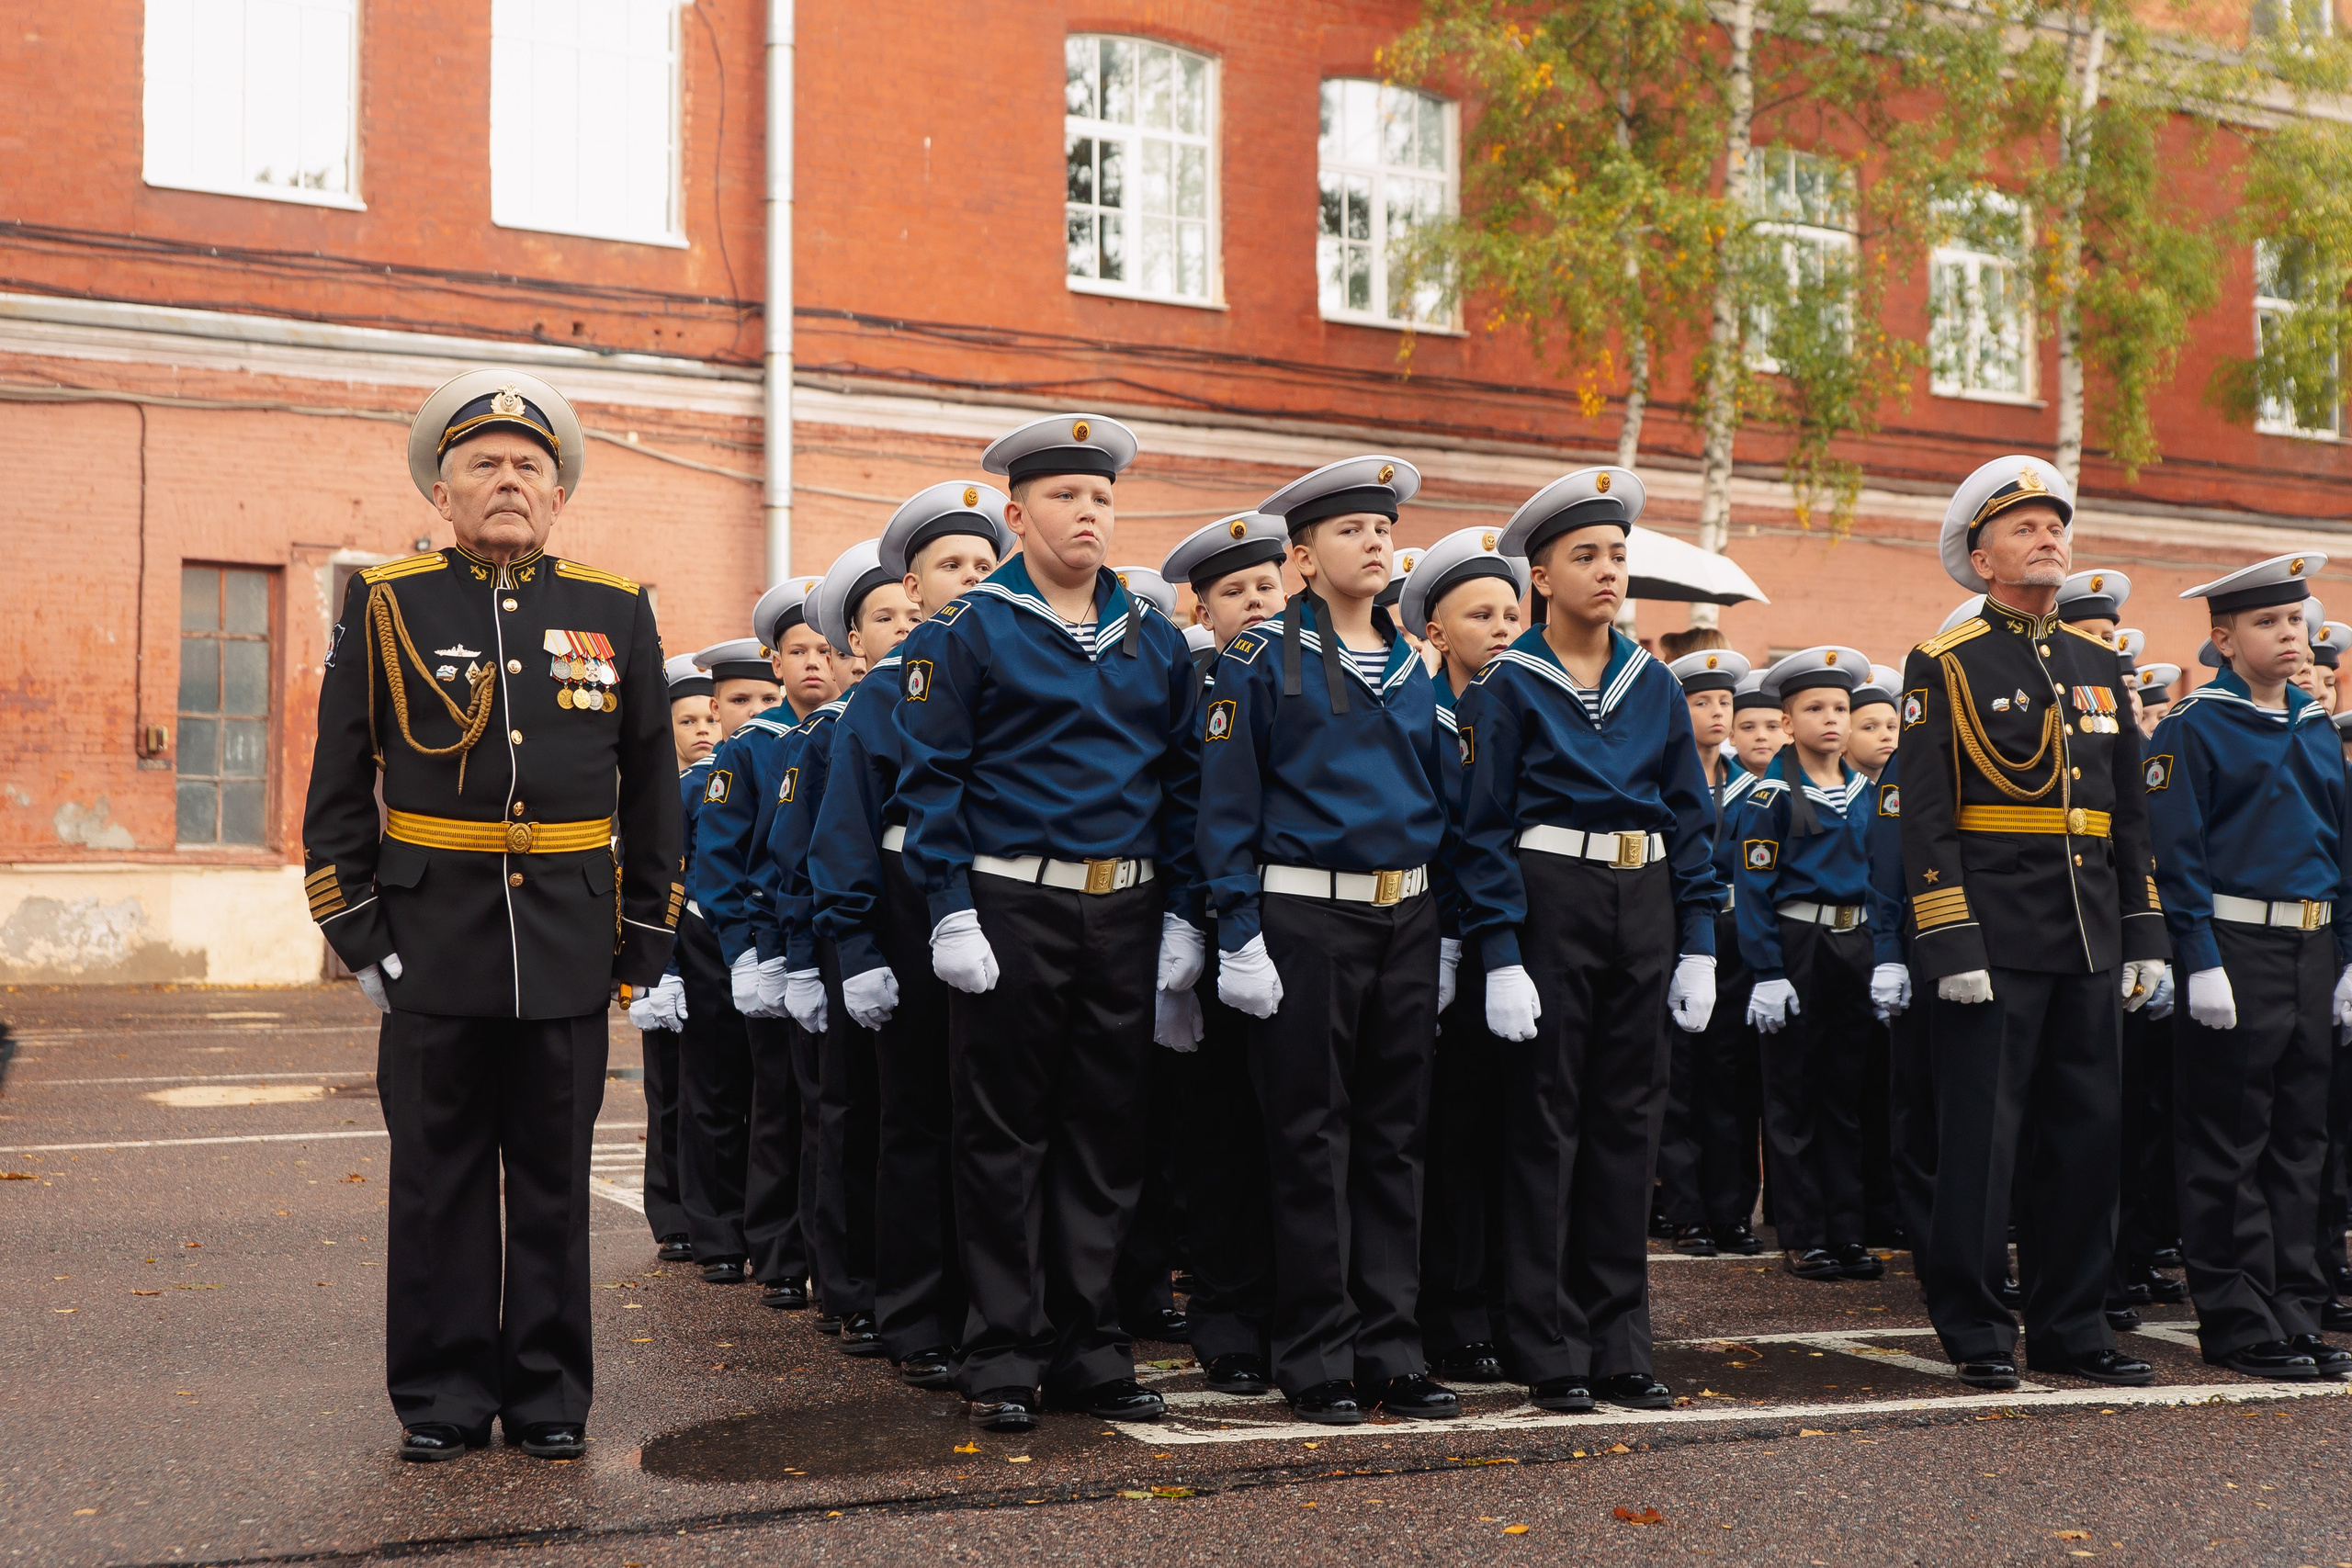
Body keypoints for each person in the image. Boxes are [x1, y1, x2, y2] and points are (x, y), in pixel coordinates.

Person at [302, 369, 680, 1462]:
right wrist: (358, 930)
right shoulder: (389, 602)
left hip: (568, 937)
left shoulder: (615, 608)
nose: (508, 481)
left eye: (528, 467)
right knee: (439, 1181)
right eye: (484, 465)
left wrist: (648, 930)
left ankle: (550, 1395)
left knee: (555, 1183)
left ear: (558, 496)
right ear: (442, 491)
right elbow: (338, 784)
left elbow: (653, 786)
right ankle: (443, 1398)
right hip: (432, 938)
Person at [894, 412, 1201, 1431]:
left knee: (1105, 1133)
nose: (1088, 514)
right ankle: (1004, 1353)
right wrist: (950, 911)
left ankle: (1090, 1349)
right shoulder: (967, 631)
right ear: (1018, 516)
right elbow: (932, 780)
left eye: (1102, 498)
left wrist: (1181, 917)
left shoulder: (1153, 637)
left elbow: (1183, 785)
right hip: (1011, 904)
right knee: (1004, 1136)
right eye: (1066, 497)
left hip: (1126, 904)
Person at [1196, 457, 1464, 1426]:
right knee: (1310, 1139)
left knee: (1395, 1139)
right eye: (1352, 530)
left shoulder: (1415, 665)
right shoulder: (1258, 659)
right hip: (1305, 916)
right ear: (1303, 559)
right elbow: (1226, 805)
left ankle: (1390, 1350)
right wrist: (1238, 931)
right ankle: (1314, 1354)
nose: (1376, 543)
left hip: (1406, 916)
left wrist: (1446, 934)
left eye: (1384, 529)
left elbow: (1444, 803)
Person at [1896, 455, 2169, 1391]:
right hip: (1994, 935)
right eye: (2025, 528)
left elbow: (2126, 816)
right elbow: (1927, 814)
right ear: (1982, 560)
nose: (2049, 537)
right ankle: (1975, 1327)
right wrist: (1949, 936)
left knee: (2087, 1139)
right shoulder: (1945, 661)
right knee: (1983, 1146)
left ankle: (2072, 1327)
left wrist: (2143, 931)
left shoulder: (2098, 665)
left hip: (2089, 932)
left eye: (2056, 525)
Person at [1454, 466, 1720, 1415]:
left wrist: (1698, 940)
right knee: (1545, 1126)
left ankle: (1620, 1343)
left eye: (1617, 555)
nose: (1608, 571)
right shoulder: (1507, 684)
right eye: (1585, 556)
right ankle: (1549, 1343)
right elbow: (1481, 829)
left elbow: (1690, 817)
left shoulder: (1654, 683)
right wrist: (1499, 953)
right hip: (1549, 896)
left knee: (1627, 1127)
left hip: (1642, 899)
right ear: (1540, 576)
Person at [810, 480, 1012, 1388]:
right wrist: (856, 949)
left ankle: (992, 1307)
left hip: (1004, 906)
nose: (970, 575)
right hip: (908, 908)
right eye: (950, 564)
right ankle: (915, 1311)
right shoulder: (884, 693)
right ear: (915, 587)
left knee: (997, 1121)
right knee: (918, 1119)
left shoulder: (1016, 676)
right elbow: (845, 832)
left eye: (983, 562)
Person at [2146, 555, 2352, 1380]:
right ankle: (2238, 1319)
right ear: (2224, 640)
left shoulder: (2314, 723)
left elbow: (2341, 850)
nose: (2290, 636)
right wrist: (2198, 958)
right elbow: (2177, 851)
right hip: (2235, 946)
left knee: (2301, 1138)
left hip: (2310, 946)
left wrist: (2345, 957)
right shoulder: (2195, 724)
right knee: (2229, 1138)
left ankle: (2295, 1308)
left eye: (2296, 620)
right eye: (2268, 623)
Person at [1153, 510, 1293, 1395]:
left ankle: (1294, 1312)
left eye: (1266, 585)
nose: (1255, 602)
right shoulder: (1195, 681)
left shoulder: (1315, 672)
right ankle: (1229, 1321)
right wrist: (1182, 924)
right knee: (1223, 1135)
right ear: (1203, 611)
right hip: (1211, 929)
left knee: (1300, 1136)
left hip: (1305, 929)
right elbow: (1178, 806)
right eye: (1233, 592)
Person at [693, 581, 841, 1306]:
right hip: (772, 946)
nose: (813, 662)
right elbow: (720, 855)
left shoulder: (850, 726)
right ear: (775, 664)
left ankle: (826, 1250)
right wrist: (744, 952)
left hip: (828, 941)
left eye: (824, 648)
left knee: (828, 1108)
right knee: (777, 1102)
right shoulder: (754, 746)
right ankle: (779, 1252)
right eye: (797, 651)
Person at [1404, 528, 1530, 1373]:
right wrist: (1448, 941)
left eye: (1511, 614)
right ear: (1437, 631)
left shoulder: (1531, 702)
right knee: (1446, 1130)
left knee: (1511, 1131)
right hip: (1437, 942)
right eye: (1481, 615)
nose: (1503, 628)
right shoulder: (1416, 712)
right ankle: (1450, 1313)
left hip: (1516, 940)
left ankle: (1509, 1303)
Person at [766, 544, 895, 1357]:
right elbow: (796, 852)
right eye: (886, 617)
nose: (906, 626)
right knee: (845, 1114)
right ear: (856, 641)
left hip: (923, 935)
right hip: (844, 940)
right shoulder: (828, 731)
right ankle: (848, 1286)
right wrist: (802, 959)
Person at [1736, 648, 1882, 1282]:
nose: (1831, 720)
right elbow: (1753, 889)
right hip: (1798, 945)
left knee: (1845, 1095)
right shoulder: (1769, 795)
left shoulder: (1869, 794)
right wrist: (1767, 971)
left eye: (1841, 709)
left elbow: (1884, 881)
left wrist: (1887, 958)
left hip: (1857, 944)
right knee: (1793, 1093)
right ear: (1787, 723)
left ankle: (1846, 1230)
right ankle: (1803, 1233)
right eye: (1814, 709)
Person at [1659, 643, 1765, 1258]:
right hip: (1677, 931)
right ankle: (1686, 1212)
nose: (1719, 713)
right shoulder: (1662, 777)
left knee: (1731, 1081)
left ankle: (1731, 1212)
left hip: (1736, 936)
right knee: (1679, 1079)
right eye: (1702, 702)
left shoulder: (1753, 788)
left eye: (1725, 701)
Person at [624, 654, 716, 1263]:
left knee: (709, 1093)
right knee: (669, 1093)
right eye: (687, 721)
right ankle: (671, 1211)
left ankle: (707, 1206)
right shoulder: (657, 796)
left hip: (712, 958)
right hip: (668, 958)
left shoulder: (726, 781)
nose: (703, 730)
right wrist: (656, 969)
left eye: (710, 717)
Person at [1731, 669, 1785, 775]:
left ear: (1790, 733)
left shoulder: (1810, 781)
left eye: (1772, 727)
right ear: (1732, 736)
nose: (1761, 736)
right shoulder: (1712, 782)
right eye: (1748, 727)